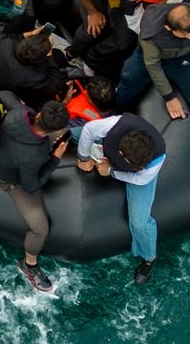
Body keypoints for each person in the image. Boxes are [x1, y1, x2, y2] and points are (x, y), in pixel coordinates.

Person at [115, 1, 190, 191]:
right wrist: (169, 96)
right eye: (184, 33)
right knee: (129, 78)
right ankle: (114, 106)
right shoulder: (151, 35)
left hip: (181, 59)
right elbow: (153, 66)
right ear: (168, 27)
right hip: (150, 59)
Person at [0, 94, 70, 292]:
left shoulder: (20, 113)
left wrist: (21, 104)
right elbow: (30, 186)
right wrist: (54, 159)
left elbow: (3, 94)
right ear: (56, 130)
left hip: (5, 149)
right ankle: (29, 265)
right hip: (9, 179)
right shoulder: (34, 156)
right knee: (40, 228)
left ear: (40, 113)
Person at [77, 112, 166, 285]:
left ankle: (149, 258)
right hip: (110, 150)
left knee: (139, 223)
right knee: (72, 134)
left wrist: (111, 171)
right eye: (121, 155)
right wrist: (84, 158)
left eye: (127, 160)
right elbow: (88, 129)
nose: (121, 160)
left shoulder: (155, 160)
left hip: (130, 174)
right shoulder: (115, 125)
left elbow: (140, 179)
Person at [0, 25, 68, 109]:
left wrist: (30, 34)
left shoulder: (1, 42)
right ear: (39, 61)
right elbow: (54, 85)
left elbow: (13, 37)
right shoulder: (35, 77)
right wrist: (50, 56)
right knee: (58, 56)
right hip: (1, 92)